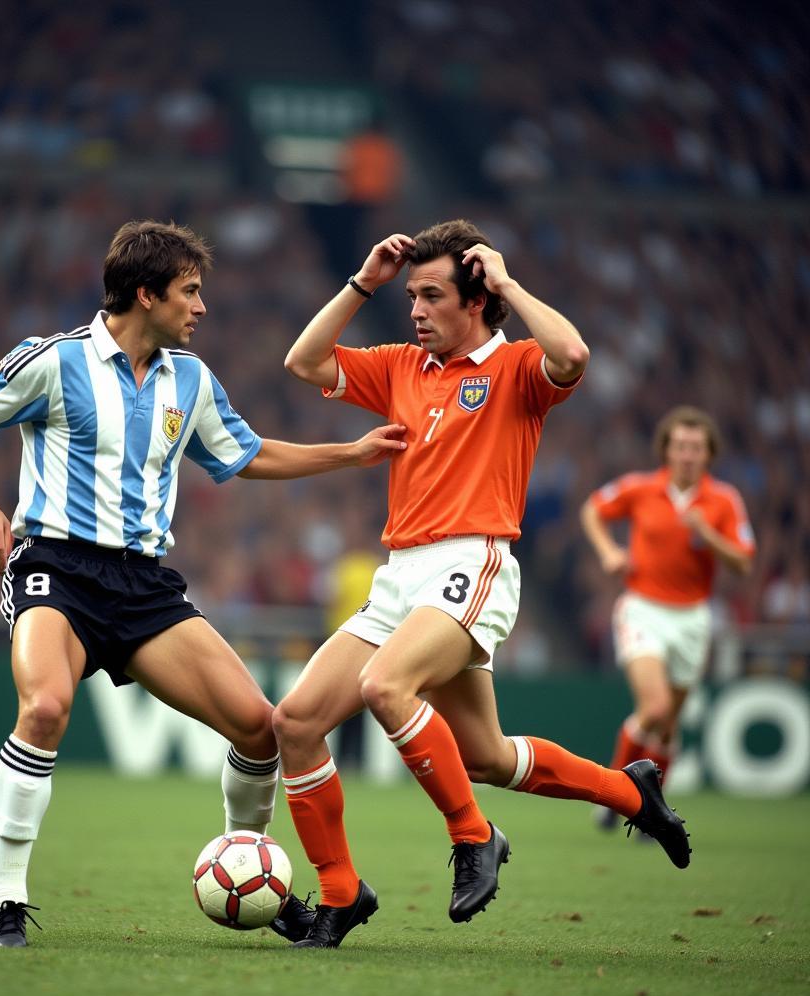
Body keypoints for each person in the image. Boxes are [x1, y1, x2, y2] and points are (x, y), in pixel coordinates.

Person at [0, 220, 406, 948]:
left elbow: (245, 455)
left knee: (258, 726)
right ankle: (5, 901)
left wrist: (351, 453)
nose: (202, 307)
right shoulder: (54, 362)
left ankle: (247, 868)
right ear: (145, 294)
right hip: (55, 570)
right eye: (190, 291)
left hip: (144, 585)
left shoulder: (190, 377)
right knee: (47, 707)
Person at [273, 220, 692, 950]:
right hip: (402, 575)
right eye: (410, 296)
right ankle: (632, 792)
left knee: (383, 688)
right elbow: (303, 363)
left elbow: (574, 353)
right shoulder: (403, 365)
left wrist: (510, 281)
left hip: (473, 562)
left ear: (476, 299)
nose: (415, 310)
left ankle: (474, 836)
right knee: (309, 725)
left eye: (431, 296)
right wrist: (362, 283)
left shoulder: (518, 369)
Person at [580, 406, 755, 827]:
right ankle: (613, 796)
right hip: (643, 609)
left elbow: (744, 562)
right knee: (655, 707)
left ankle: (651, 814)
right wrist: (608, 552)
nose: (687, 455)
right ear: (666, 450)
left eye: (696, 447)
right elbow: (593, 509)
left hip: (693, 618)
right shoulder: (642, 489)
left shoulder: (724, 500)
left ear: (709, 454)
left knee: (668, 726)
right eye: (680, 446)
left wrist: (708, 535)